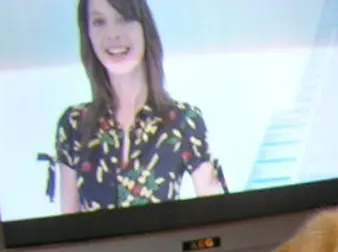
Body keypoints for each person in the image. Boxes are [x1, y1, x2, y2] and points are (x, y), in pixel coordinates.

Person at [52, 0, 226, 212]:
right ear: (87, 34)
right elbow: (69, 228)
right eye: (99, 22)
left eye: (124, 18)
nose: (113, 34)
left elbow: (216, 216)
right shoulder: (74, 124)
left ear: (144, 27)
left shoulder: (184, 121)